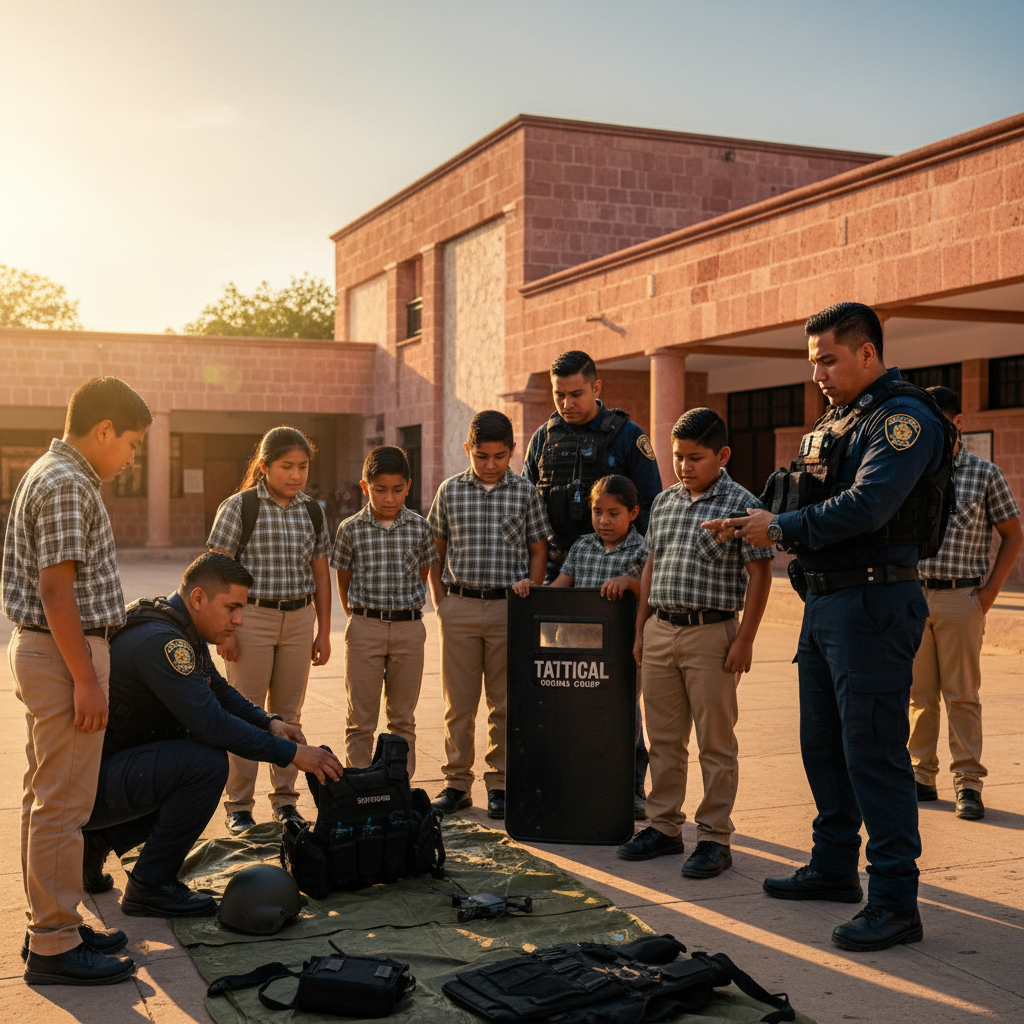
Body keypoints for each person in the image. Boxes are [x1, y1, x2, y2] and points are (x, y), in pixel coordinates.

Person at [706, 302, 954, 953]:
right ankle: (834, 865)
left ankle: (895, 901)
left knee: (874, 752)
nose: (817, 373)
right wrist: (753, 523)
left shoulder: (901, 419)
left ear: (867, 352)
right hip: (824, 602)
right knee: (823, 745)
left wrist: (780, 529)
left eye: (828, 360)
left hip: (873, 604)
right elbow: (806, 495)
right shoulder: (838, 418)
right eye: (813, 361)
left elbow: (870, 506)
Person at [83, 552, 343, 917]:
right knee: (205, 764)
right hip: (84, 788)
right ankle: (150, 884)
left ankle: (95, 841)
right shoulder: (163, 641)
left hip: (101, 773)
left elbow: (219, 690)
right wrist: (293, 755)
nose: (239, 620)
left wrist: (269, 722)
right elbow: (214, 724)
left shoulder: (177, 626)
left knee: (192, 752)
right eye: (232, 608)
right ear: (198, 598)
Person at [3, 376, 151, 986]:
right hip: (65, 657)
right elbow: (55, 590)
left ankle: (51, 923)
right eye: (132, 444)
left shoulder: (57, 472)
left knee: (46, 798)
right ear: (104, 429)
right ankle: (55, 944)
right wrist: (85, 679)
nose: (132, 457)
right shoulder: (66, 482)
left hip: (51, 652)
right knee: (63, 806)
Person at [620, 409, 773, 880]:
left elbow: (760, 574)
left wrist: (745, 638)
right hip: (661, 631)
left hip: (712, 636)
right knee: (664, 740)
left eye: (695, 457)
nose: (685, 466)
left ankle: (714, 837)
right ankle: (664, 827)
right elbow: (651, 564)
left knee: (715, 742)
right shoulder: (664, 502)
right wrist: (642, 628)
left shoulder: (742, 504)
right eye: (678, 457)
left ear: (722, 455)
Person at [207, 426, 333, 834]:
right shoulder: (239, 507)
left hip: (298, 620)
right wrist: (225, 631)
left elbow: (321, 575)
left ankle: (285, 801)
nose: (296, 475)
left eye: (303, 466)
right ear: (264, 466)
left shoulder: (312, 511)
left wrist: (323, 630)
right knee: (246, 714)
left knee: (290, 714)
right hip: (251, 621)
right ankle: (239, 806)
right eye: (286, 466)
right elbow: (216, 574)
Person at [427, 410, 551, 819]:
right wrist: (442, 603)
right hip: (459, 607)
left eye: (499, 456)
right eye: (481, 456)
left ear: (512, 451)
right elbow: (435, 551)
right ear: (468, 449)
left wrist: (531, 596)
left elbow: (538, 550)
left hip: (508, 608)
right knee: (459, 704)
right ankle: (456, 783)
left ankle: (500, 783)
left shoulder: (525, 492)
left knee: (504, 702)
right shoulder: (449, 491)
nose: (490, 464)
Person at [910, 386, 1021, 820]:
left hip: (962, 597)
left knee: (962, 695)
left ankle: (968, 783)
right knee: (919, 695)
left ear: (957, 423)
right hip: (914, 596)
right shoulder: (912, 472)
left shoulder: (985, 473)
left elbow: (1012, 534)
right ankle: (921, 775)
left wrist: (989, 593)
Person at [332, 445, 439, 779]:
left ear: (408, 486)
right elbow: (343, 579)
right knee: (360, 720)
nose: (389, 498)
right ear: (365, 487)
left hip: (409, 629)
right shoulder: (350, 529)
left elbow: (422, 574)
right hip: (365, 628)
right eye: (380, 490)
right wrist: (360, 620)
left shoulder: (421, 528)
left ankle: (398, 789)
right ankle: (360, 788)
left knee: (402, 719)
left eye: (396, 489)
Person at [546, 475, 648, 818]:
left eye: (614, 513)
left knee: (624, 718)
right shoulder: (582, 546)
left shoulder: (642, 550)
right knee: (582, 719)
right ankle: (586, 783)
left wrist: (630, 582)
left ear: (633, 513)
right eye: (597, 512)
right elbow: (561, 586)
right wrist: (531, 591)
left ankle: (631, 787)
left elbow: (650, 595)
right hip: (579, 651)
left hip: (622, 651)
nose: (604, 521)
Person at [523, 350, 662, 580]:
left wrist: (639, 570)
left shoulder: (628, 435)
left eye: (576, 394)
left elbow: (651, 508)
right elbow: (526, 506)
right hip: (552, 569)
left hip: (615, 570)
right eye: (559, 395)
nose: (567, 404)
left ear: (596, 388)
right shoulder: (542, 438)